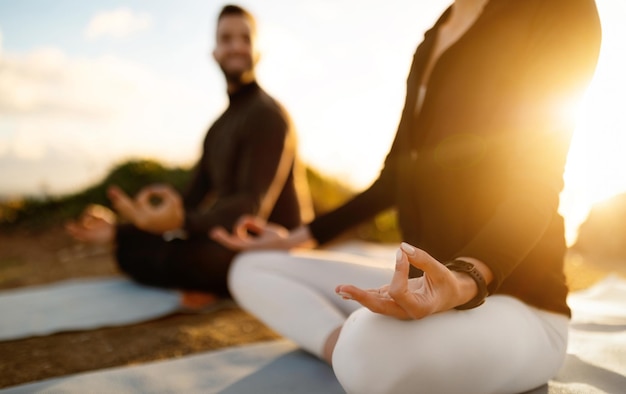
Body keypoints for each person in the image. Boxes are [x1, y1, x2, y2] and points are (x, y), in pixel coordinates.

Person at [211, 0, 602, 392]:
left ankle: (356, 350)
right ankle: (342, 349)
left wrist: (464, 278)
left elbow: (537, 184)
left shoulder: (559, 9)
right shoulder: (434, 36)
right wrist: (295, 238)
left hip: (519, 305)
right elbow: (393, 179)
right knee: (251, 267)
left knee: (369, 348)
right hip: (423, 285)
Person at [66, 4, 313, 307]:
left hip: (274, 248)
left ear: (258, 51)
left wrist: (182, 223)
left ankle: (219, 284)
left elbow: (251, 207)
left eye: (245, 39)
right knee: (134, 247)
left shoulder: (269, 115)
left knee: (192, 253)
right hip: (228, 239)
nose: (236, 46)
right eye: (226, 39)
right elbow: (191, 199)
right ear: (215, 52)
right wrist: (125, 228)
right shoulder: (217, 128)